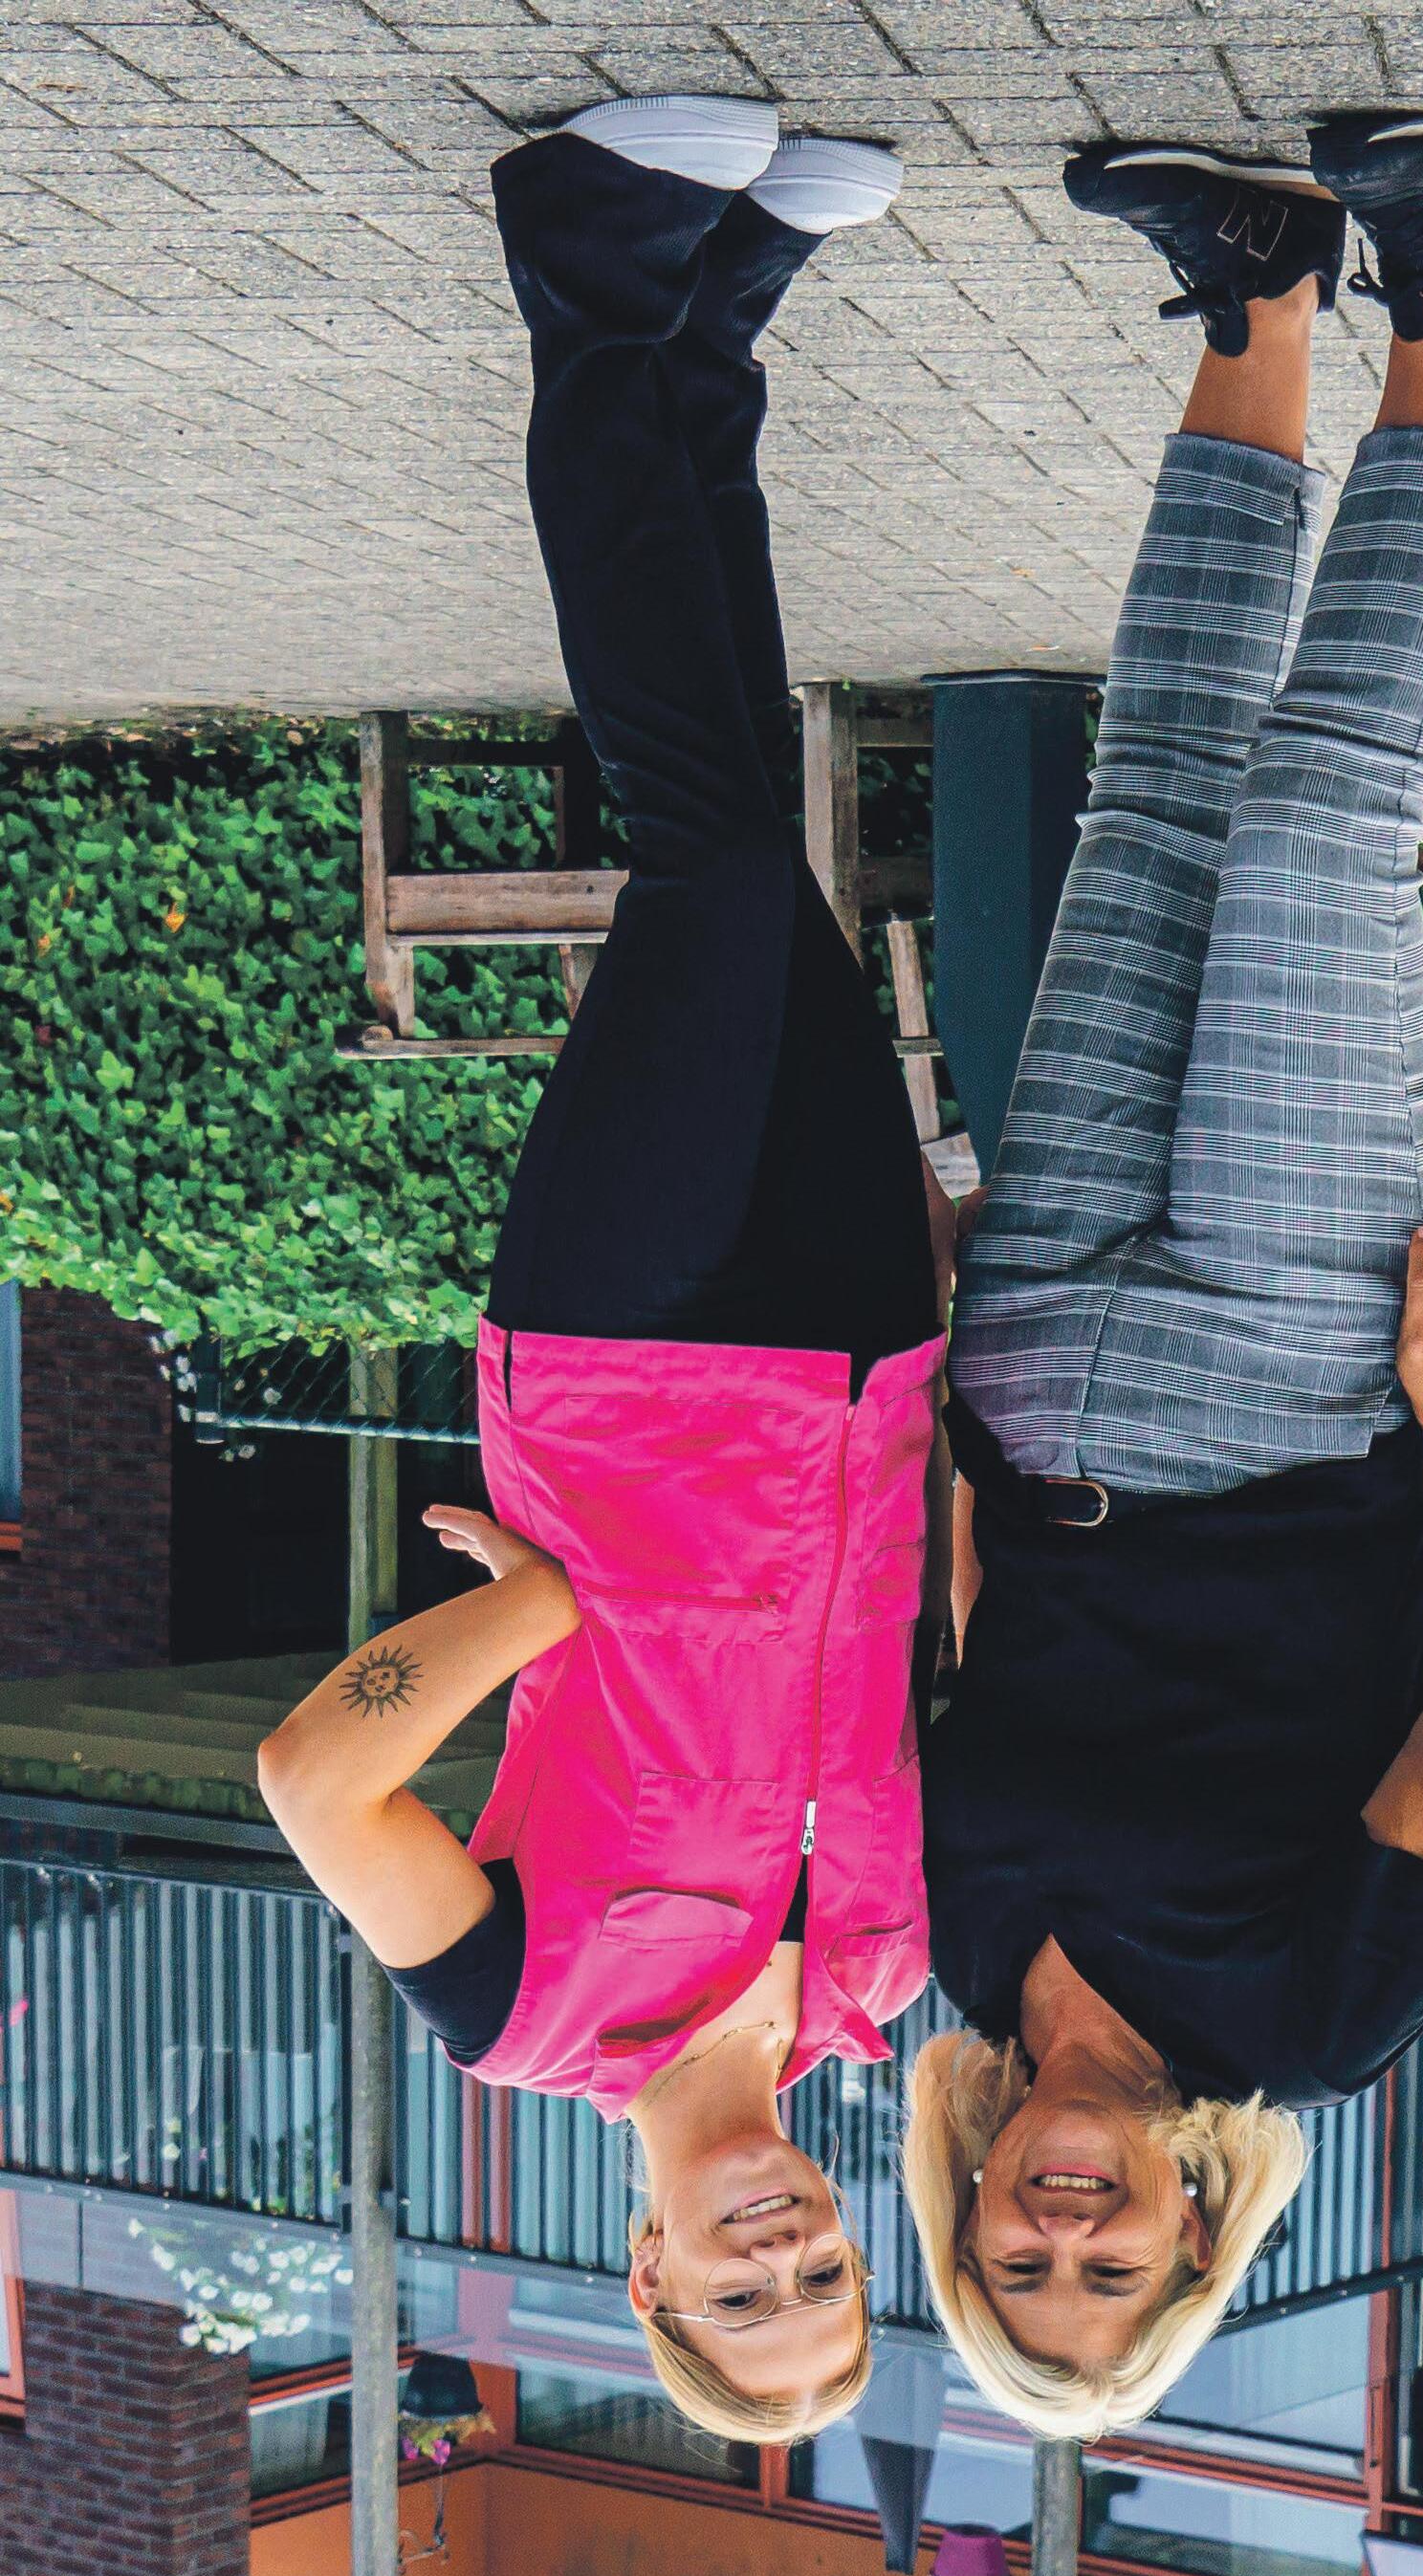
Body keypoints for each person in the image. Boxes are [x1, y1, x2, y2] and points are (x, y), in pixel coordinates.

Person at [259, 96, 951, 2448]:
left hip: (629, 1365)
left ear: (651, 2273)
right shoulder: (879, 1982)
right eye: (829, 2278)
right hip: (855, 1366)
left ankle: (590, 263)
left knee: (710, 863)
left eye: (747, 2297)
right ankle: (709, 336)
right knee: (768, 856)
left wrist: (537, 1615)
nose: (788, 2252)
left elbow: (318, 1787)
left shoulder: (525, 2019)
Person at [908, 117, 1423, 2440]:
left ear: (975, 2213)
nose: (1063, 2233)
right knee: (1317, 837)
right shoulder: (1310, 2026)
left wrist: (941, 1361)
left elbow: (966, 1637)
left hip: (1045, 1349)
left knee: (1160, 796)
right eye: (1106, 2274)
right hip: (1293, 1385)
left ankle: (1259, 295)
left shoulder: (959, 1973)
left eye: (1019, 2264)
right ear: (1195, 2239)